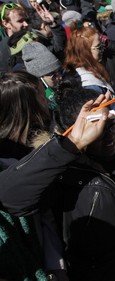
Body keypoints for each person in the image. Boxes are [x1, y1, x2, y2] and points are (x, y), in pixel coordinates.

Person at [0, 80, 115, 280]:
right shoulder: (62, 176)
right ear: (75, 131)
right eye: (96, 130)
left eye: (111, 124)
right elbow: (8, 197)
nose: (108, 136)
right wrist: (71, 145)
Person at [0, 71, 67, 280]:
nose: (46, 98)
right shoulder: (9, 158)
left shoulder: (47, 130)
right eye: (40, 94)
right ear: (25, 107)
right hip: (49, 252)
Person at [63, 25, 115, 95]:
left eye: (102, 45)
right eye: (98, 47)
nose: (102, 50)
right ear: (85, 51)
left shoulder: (93, 68)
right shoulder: (90, 84)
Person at [0, 2, 29, 72]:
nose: (26, 24)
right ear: (6, 24)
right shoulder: (2, 52)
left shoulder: (33, 36)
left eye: (26, 20)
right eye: (20, 21)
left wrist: (54, 27)